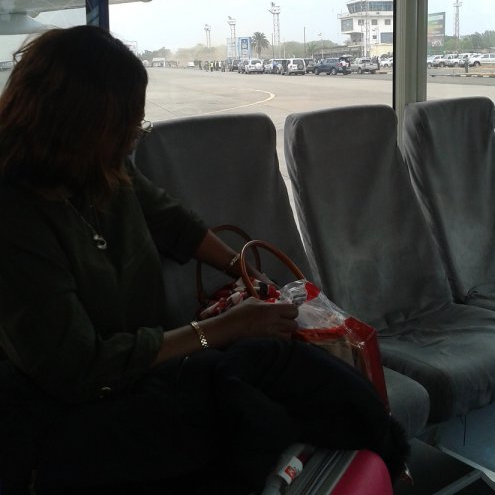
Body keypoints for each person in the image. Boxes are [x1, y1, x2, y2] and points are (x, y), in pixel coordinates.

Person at [0, 26, 409, 494]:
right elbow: (81, 367)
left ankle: (390, 454)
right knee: (246, 408)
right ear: (79, 126)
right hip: (68, 412)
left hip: (145, 370)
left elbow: (172, 222)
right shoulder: (14, 216)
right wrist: (221, 330)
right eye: (125, 127)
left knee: (277, 363)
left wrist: (245, 271)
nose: (133, 139)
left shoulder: (100, 170)